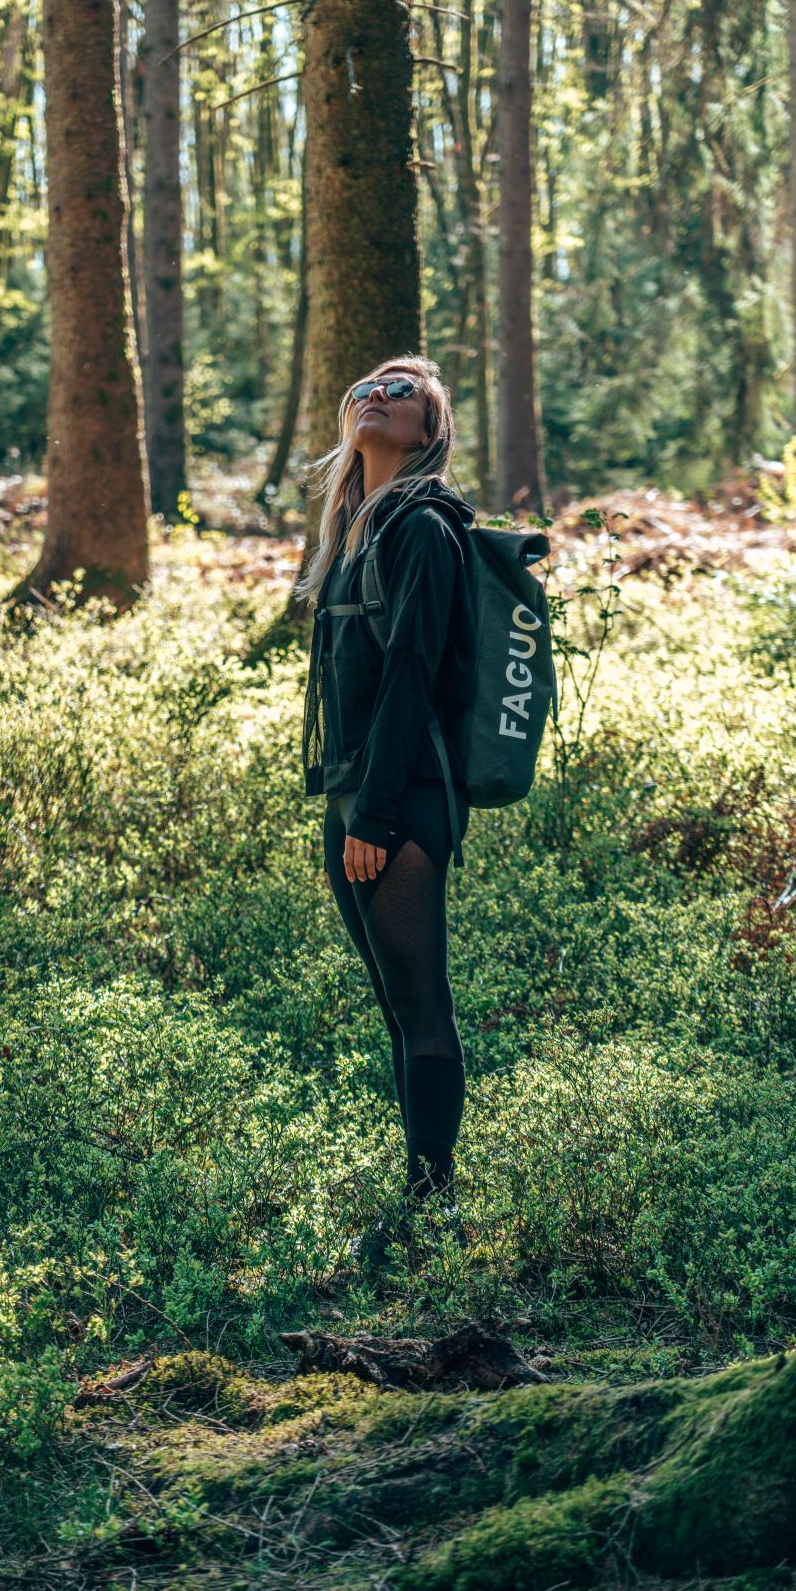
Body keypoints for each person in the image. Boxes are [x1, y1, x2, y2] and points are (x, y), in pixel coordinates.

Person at [299, 354, 477, 1256]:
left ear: (430, 429)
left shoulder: (424, 528)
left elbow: (411, 676)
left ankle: (432, 1205)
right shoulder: (353, 529)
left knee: (420, 1005)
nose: (376, 394)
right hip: (358, 794)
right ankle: (421, 1193)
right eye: (366, 385)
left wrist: (372, 815)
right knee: (393, 1005)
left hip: (398, 800)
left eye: (401, 391)